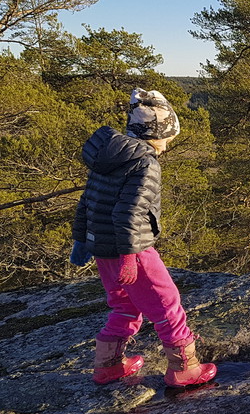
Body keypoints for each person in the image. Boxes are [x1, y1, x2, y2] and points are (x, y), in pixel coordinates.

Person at [70, 88, 216, 388]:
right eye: (167, 138)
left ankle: (107, 365)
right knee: (167, 304)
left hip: (103, 247)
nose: (166, 146)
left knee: (124, 306)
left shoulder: (107, 158)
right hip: (132, 250)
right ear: (156, 134)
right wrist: (129, 257)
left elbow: (88, 201)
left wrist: (81, 239)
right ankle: (183, 369)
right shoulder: (145, 163)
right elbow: (130, 213)